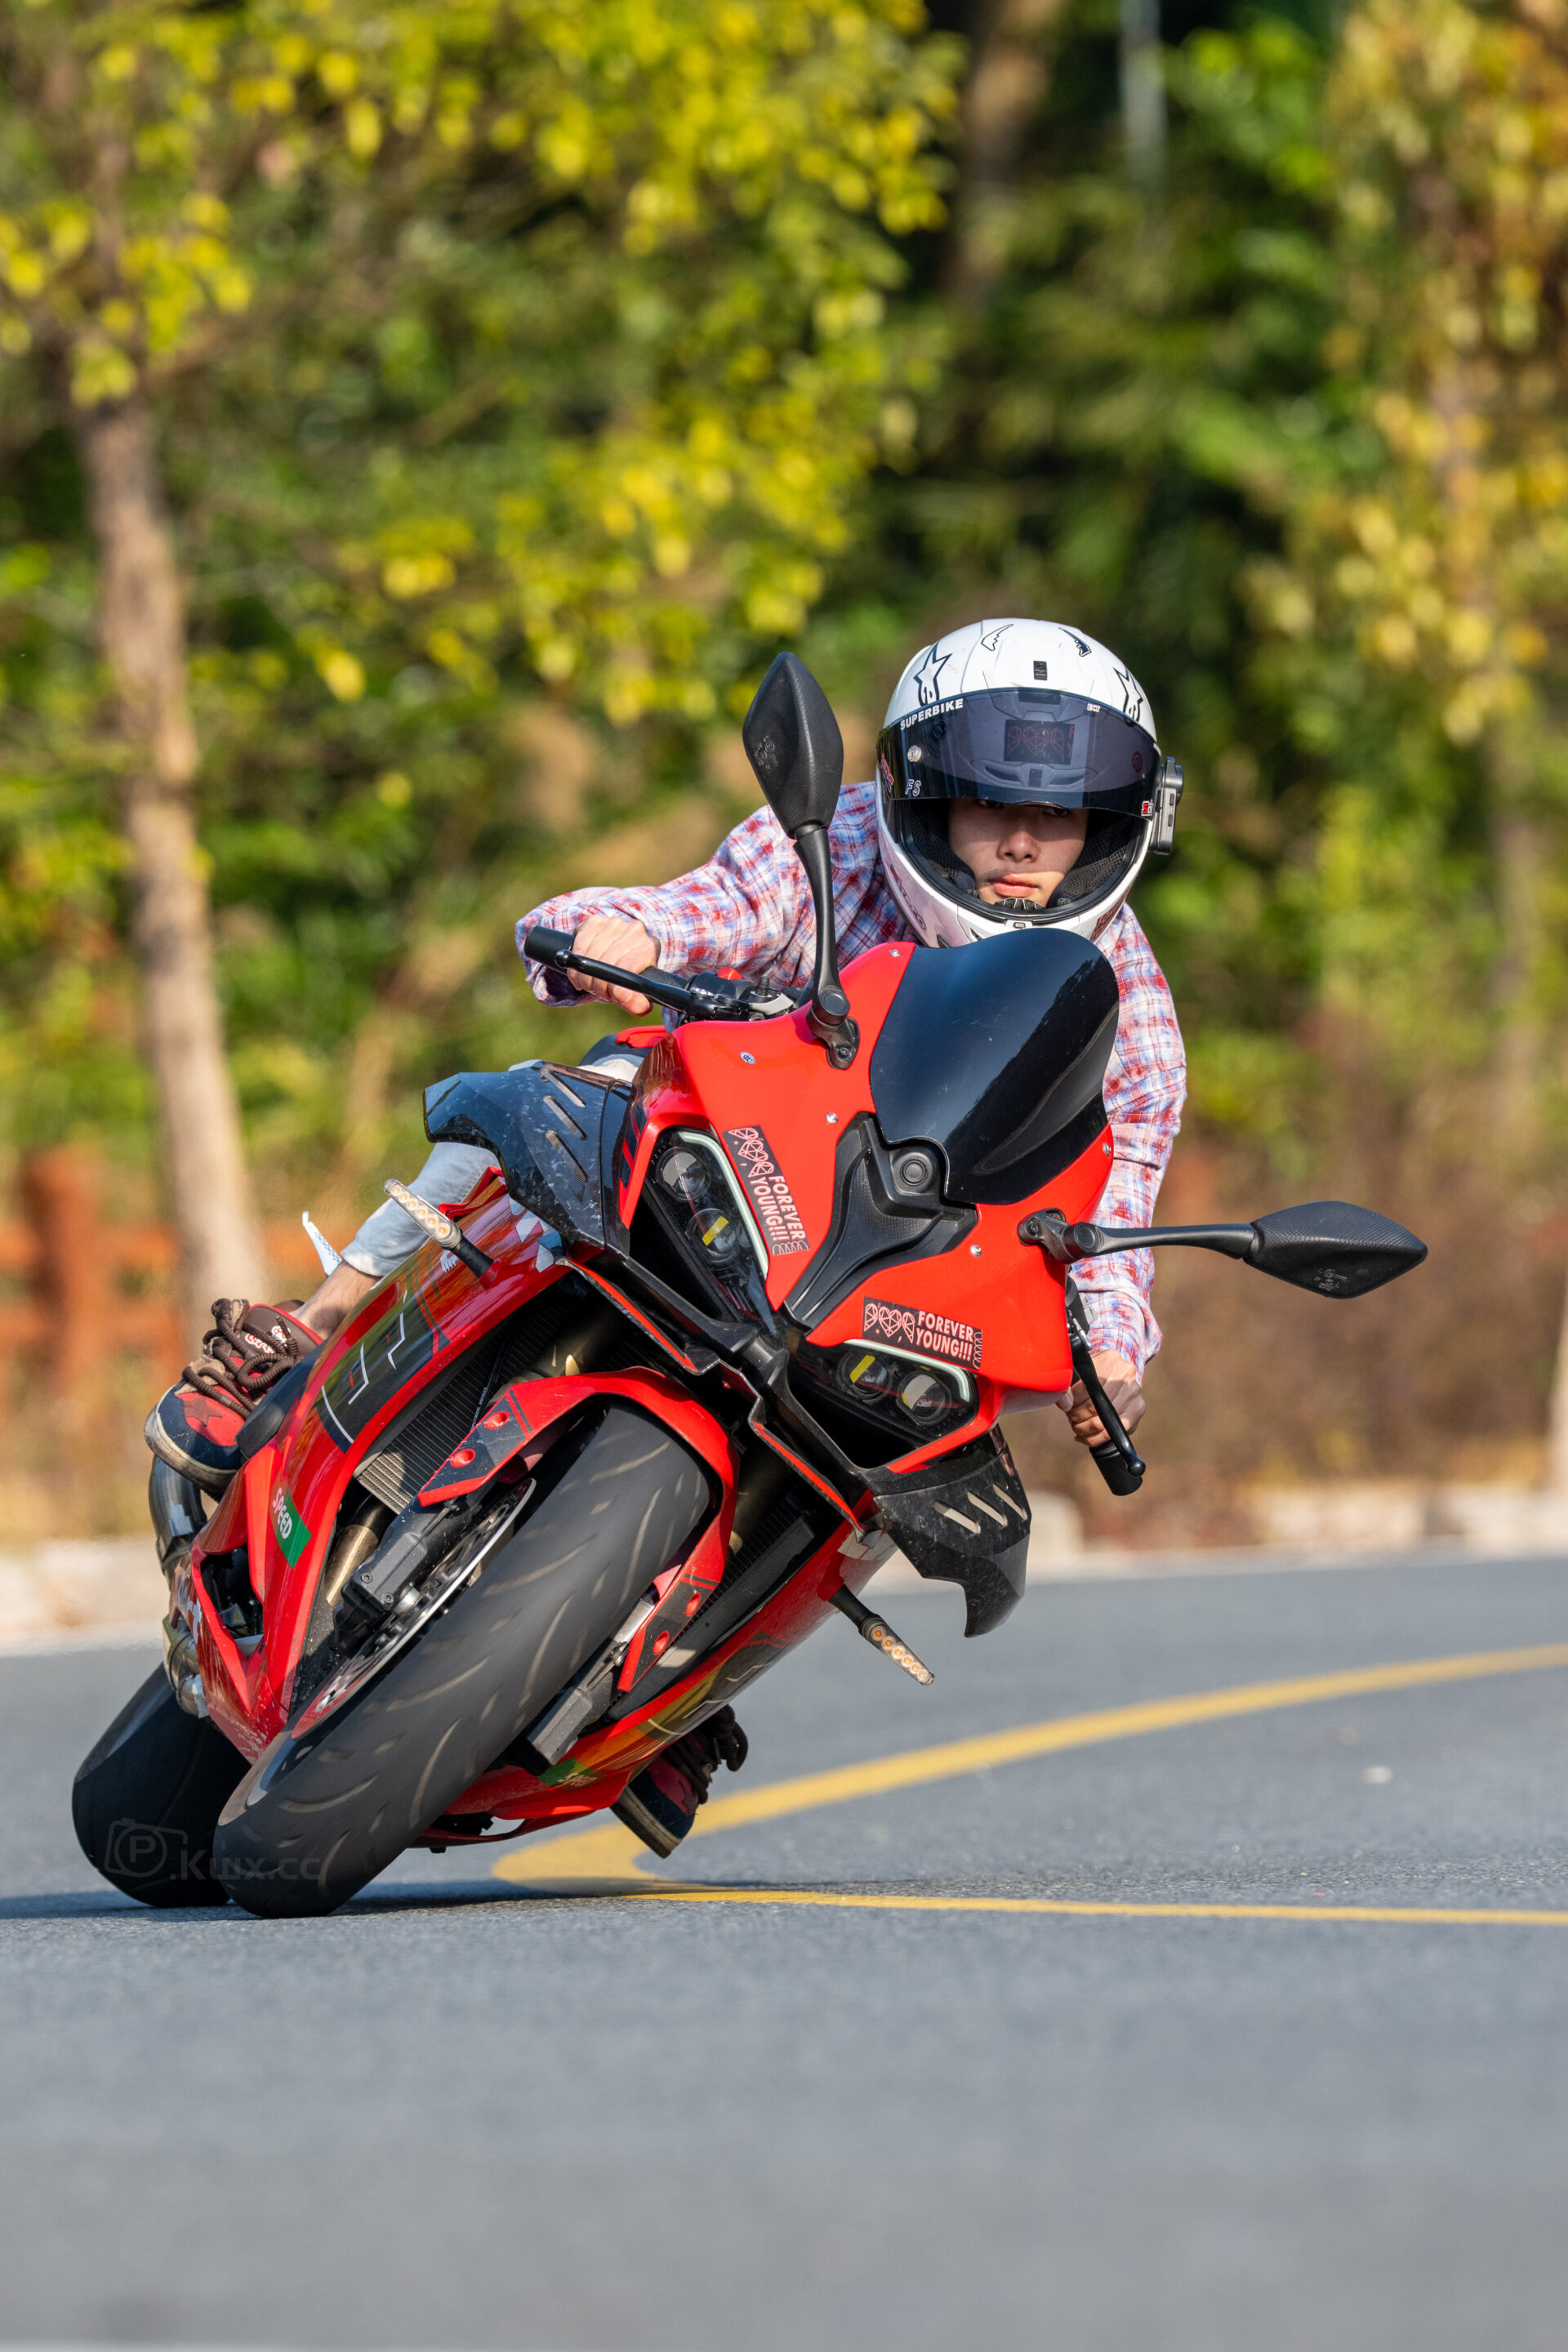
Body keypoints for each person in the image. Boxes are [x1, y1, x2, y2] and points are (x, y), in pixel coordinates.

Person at [146, 617, 1186, 1852]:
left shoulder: (1135, 1019)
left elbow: (1115, 1223)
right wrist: (622, 939)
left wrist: (1111, 1352)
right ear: (919, 797)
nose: (1019, 842)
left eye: (1058, 816)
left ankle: (689, 1688)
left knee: (910, 1458)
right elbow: (705, 908)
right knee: (571, 1082)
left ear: (1117, 827)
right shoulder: (840, 839)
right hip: (735, 1168)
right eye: (989, 805)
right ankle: (308, 1337)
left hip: (902, 1278)